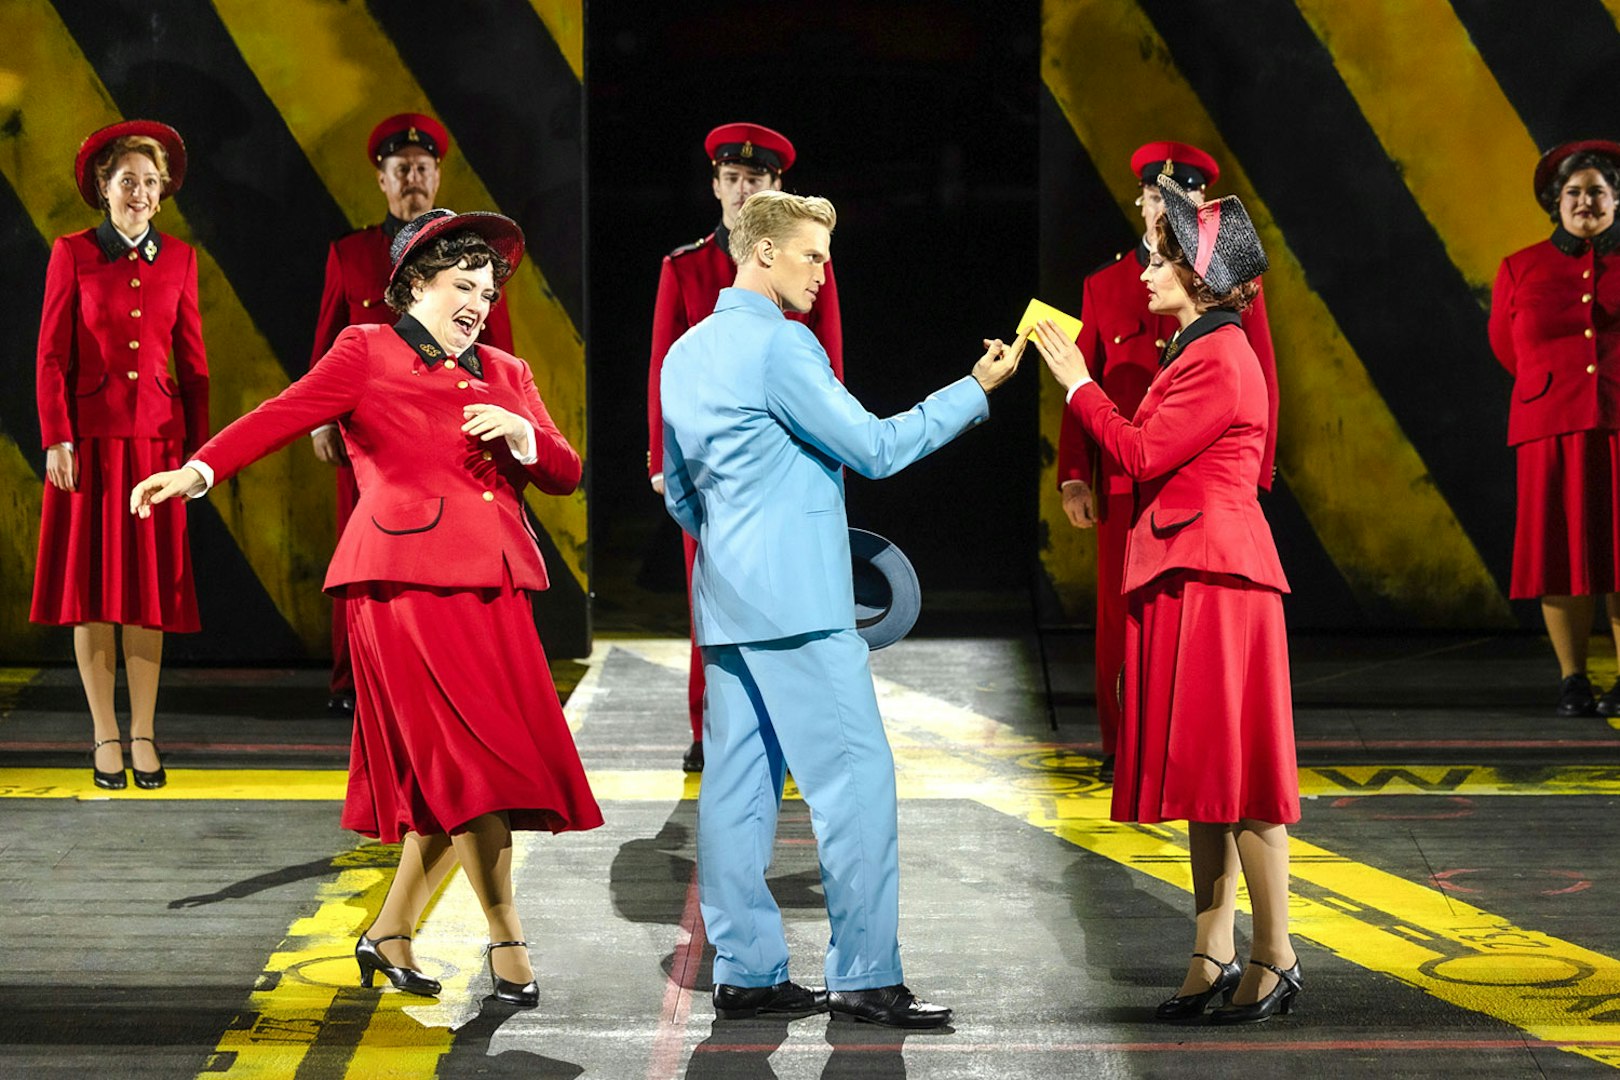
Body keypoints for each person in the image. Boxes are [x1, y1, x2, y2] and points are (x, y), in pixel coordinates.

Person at [132, 210, 600, 1006]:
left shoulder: (508, 372)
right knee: (476, 769)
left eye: (487, 293)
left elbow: (564, 471)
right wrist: (198, 473)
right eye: (463, 287)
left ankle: (390, 932)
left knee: (458, 779)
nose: (479, 305)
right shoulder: (366, 349)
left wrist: (524, 435)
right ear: (417, 284)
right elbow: (281, 414)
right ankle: (507, 938)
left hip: (494, 586)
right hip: (403, 585)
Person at [660, 190, 1021, 1027]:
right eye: (812, 255)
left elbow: (681, 496)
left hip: (726, 606)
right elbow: (876, 448)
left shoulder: (684, 355)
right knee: (856, 787)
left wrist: (738, 548)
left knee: (736, 797)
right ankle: (864, 975)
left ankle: (746, 973)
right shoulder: (783, 349)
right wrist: (973, 387)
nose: (825, 272)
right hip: (803, 612)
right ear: (762, 254)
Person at [1033, 177, 1300, 1024]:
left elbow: (1143, 453)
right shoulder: (1196, 349)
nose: (1146, 274)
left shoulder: (1219, 355)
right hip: (1189, 572)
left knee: (1243, 779)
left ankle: (1276, 955)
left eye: (1162, 260)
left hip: (1217, 578)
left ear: (1202, 276)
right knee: (1205, 782)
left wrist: (1079, 383)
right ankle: (1210, 954)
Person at [1055, 141, 1278, 782]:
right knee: (1120, 617)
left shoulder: (1224, 308)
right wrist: (1075, 473)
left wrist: (1244, 487)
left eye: (1177, 204)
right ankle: (1125, 743)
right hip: (1128, 482)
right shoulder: (1107, 284)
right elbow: (1090, 384)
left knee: (1184, 626)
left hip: (1195, 493)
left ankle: (1172, 747)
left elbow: (1259, 382)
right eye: (1156, 200)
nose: (1162, 216)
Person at [647, 122, 844, 773]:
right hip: (711, 467)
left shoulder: (810, 262)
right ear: (714, 186)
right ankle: (715, 733)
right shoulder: (685, 267)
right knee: (717, 599)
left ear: (776, 188)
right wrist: (661, 459)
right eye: (731, 179)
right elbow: (662, 370)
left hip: (787, 462)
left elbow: (830, 363)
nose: (741, 189)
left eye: (754, 181)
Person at [307, 112, 515, 714]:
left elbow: (496, 344)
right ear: (382, 178)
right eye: (403, 170)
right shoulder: (350, 253)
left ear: (438, 175)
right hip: (368, 429)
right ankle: (356, 679)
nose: (414, 180)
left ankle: (454, 671)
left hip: (453, 427)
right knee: (363, 548)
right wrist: (323, 420)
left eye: (424, 169)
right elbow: (327, 340)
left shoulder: (469, 260)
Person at [32, 120, 208, 792]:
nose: (138, 193)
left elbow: (194, 369)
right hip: (91, 448)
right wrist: (57, 437)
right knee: (93, 594)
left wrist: (199, 459)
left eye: (149, 183)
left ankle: (144, 734)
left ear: (162, 195)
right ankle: (105, 731)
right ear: (103, 190)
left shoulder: (184, 260)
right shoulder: (71, 253)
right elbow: (51, 356)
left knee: (147, 595)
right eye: (126, 181)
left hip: (159, 448)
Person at [1490, 140, 1620, 717]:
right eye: (1573, 193)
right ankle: (1574, 680)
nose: (1585, 201)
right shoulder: (1521, 266)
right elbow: (1506, 345)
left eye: (1597, 191)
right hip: (1550, 427)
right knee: (1560, 556)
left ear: (1616, 199)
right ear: (1555, 203)